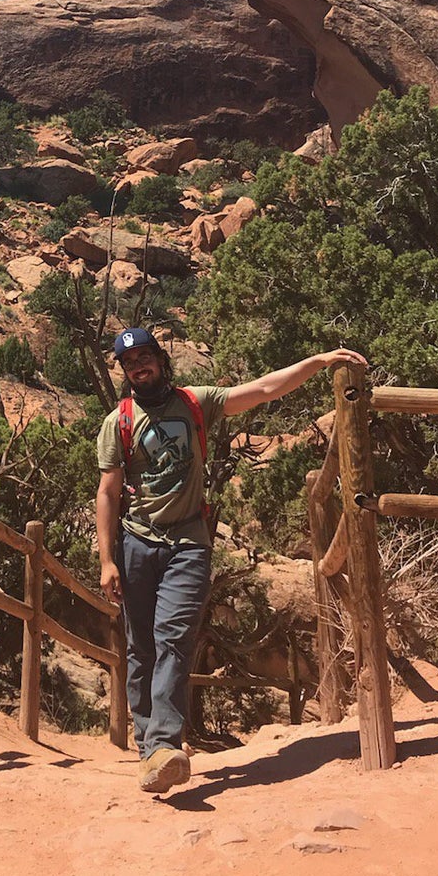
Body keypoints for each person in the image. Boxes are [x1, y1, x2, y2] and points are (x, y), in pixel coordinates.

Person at [96, 326, 367, 796]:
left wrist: (319, 361)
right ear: (124, 371)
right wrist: (107, 560)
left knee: (174, 638)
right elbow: (108, 492)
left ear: (160, 359)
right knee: (141, 648)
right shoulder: (117, 422)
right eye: (129, 361)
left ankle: (163, 743)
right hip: (137, 543)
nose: (139, 365)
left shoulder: (195, 402)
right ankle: (151, 751)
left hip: (188, 542)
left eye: (145, 356)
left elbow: (263, 389)